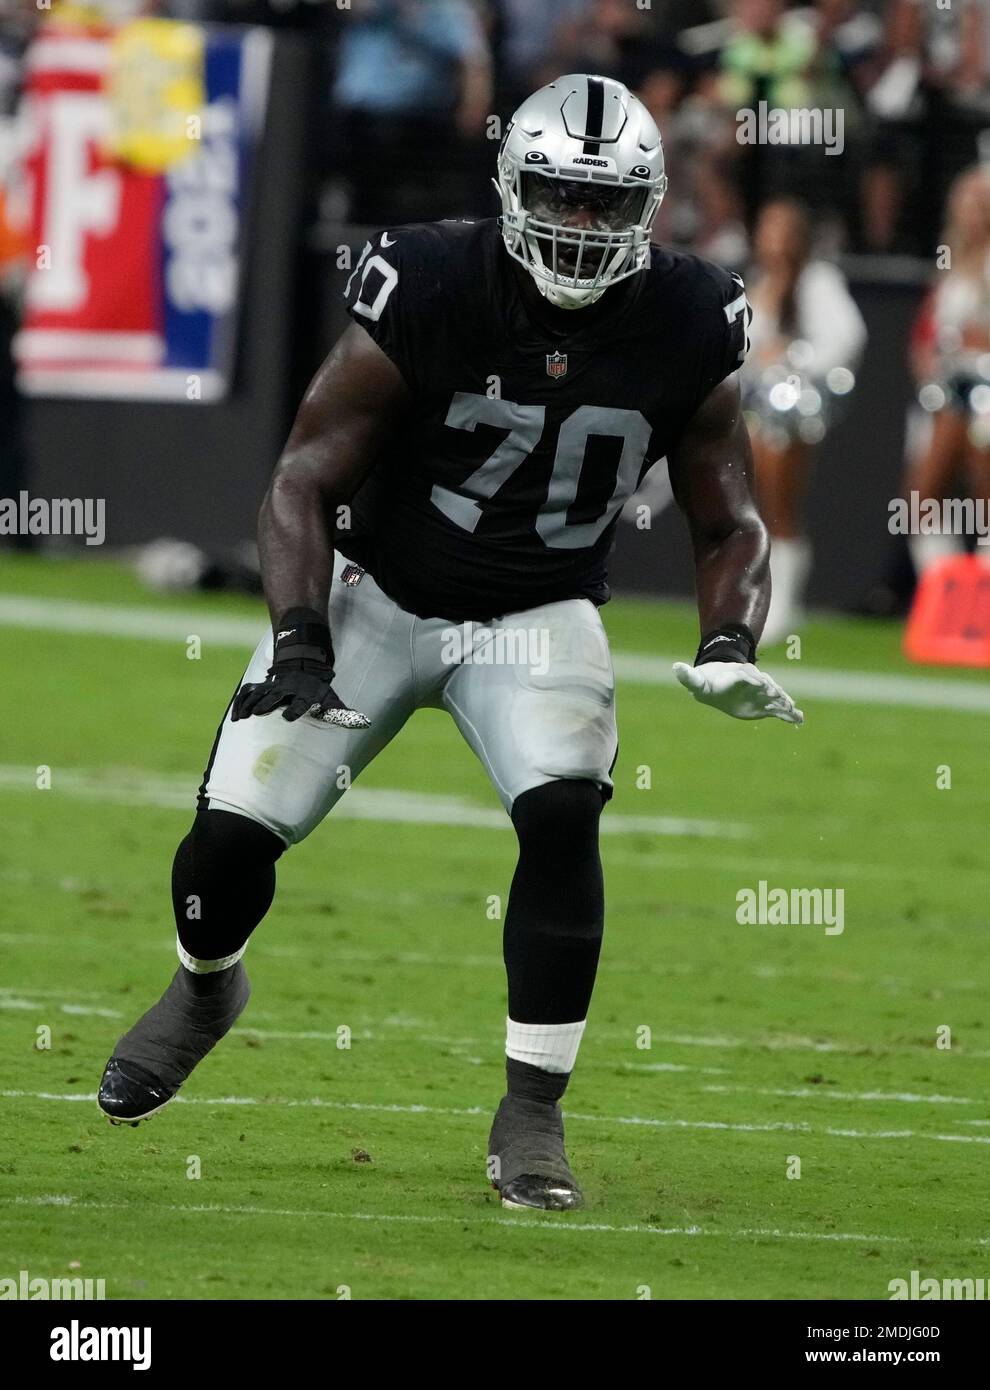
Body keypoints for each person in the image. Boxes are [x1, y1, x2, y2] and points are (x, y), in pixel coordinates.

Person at [97, 74, 802, 1212]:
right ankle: (204, 985)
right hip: (380, 591)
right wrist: (300, 638)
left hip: (537, 611)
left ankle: (531, 1105)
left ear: (650, 208)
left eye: (603, 204)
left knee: (565, 809)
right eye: (559, 198)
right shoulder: (428, 278)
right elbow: (303, 477)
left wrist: (730, 638)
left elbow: (732, 520)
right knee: (229, 844)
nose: (578, 227)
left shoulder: (689, 314)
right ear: (512, 190)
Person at [742, 197, 866, 643]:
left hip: (795, 408)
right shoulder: (760, 282)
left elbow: (848, 337)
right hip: (757, 408)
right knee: (753, 501)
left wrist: (793, 357)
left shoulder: (818, 281)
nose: (770, 239)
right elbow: (746, 348)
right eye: (765, 228)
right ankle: (756, 596)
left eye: (779, 230)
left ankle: (784, 606)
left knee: (781, 503)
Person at [905, 166, 990, 578]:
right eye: (965, 205)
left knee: (985, 501)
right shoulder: (952, 262)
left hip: (985, 395)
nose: (970, 214)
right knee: (922, 499)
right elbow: (929, 331)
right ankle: (949, 592)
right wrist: (927, 355)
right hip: (949, 392)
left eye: (979, 204)